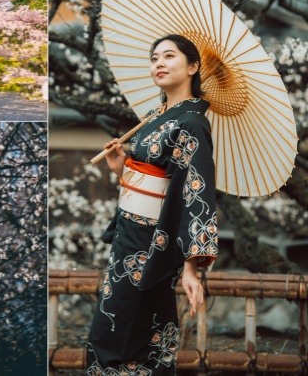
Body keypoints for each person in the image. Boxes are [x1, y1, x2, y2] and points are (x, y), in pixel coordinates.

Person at [87, 35, 218, 375]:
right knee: (108, 331)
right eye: (154, 57)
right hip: (128, 236)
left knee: (134, 335)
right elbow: (147, 180)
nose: (158, 63)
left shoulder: (192, 122)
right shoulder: (154, 116)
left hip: (153, 244)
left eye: (169, 56)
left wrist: (191, 267)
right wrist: (122, 169)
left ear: (193, 66)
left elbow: (194, 191)